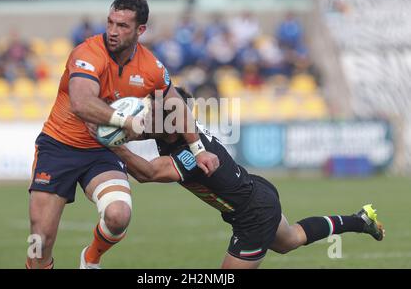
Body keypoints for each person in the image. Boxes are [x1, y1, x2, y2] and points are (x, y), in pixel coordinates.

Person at [27, 0, 219, 269]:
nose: (113, 31)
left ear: (140, 30)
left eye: (122, 26)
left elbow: (176, 104)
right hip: (59, 147)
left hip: (102, 151)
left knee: (118, 215)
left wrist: (198, 150)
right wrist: (126, 122)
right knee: (40, 241)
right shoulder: (87, 54)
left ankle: (90, 260)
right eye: (110, 23)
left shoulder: (151, 66)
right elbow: (81, 103)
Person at [110, 88, 385, 269]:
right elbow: (135, 128)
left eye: (153, 115)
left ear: (171, 123)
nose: (146, 119)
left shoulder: (192, 154)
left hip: (253, 213)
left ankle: (359, 221)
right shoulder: (175, 130)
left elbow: (147, 173)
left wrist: (112, 144)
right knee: (289, 241)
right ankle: (359, 221)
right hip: (254, 192)